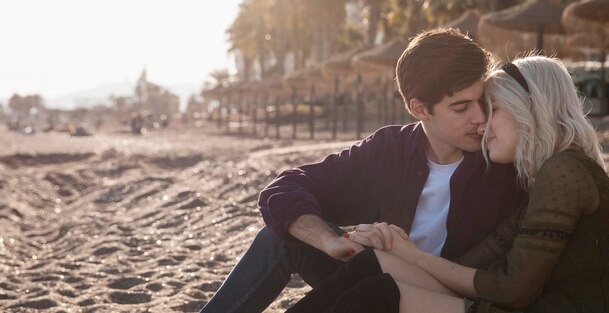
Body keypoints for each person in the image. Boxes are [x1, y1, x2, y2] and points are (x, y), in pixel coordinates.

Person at [199, 28, 526, 313]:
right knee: (279, 238)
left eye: (483, 101)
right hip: (374, 280)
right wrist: (329, 241)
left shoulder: (499, 159)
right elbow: (283, 189)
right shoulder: (388, 150)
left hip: (443, 299)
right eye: (461, 107)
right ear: (419, 109)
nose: (480, 118)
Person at [286, 55, 609, 313]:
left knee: (377, 294)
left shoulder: (565, 170)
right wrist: (391, 245)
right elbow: (478, 258)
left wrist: (407, 254)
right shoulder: (543, 175)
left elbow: (511, 290)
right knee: (372, 266)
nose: (482, 124)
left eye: (493, 110)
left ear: (531, 108)